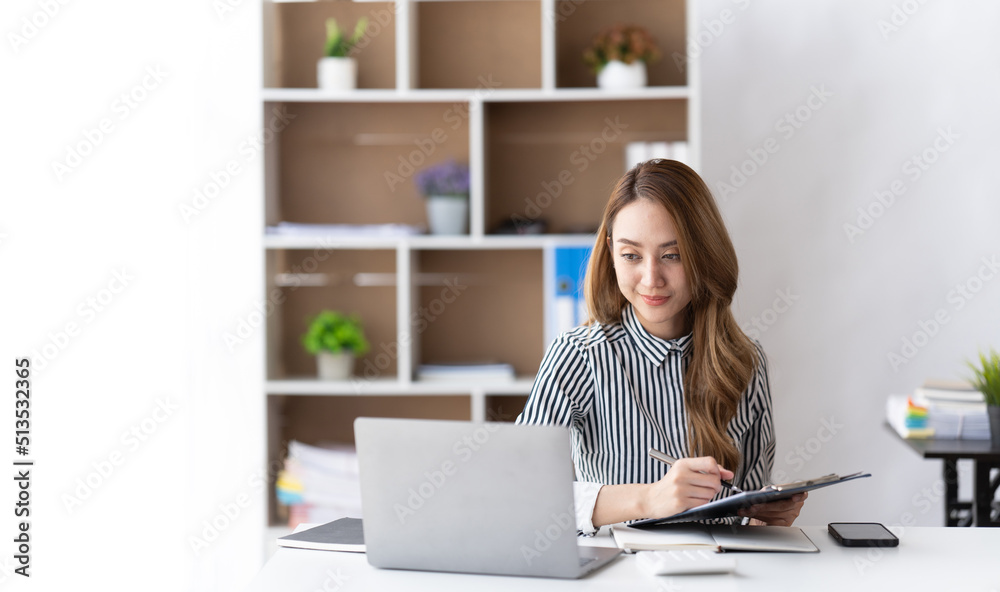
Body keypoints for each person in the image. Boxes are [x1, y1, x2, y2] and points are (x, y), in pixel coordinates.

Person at [516, 159, 805, 534]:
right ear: (611, 253)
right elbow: (520, 493)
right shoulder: (579, 356)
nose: (651, 278)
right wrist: (649, 499)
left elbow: (745, 507)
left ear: (703, 253)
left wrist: (765, 513)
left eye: (672, 255)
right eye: (631, 255)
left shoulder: (744, 361)